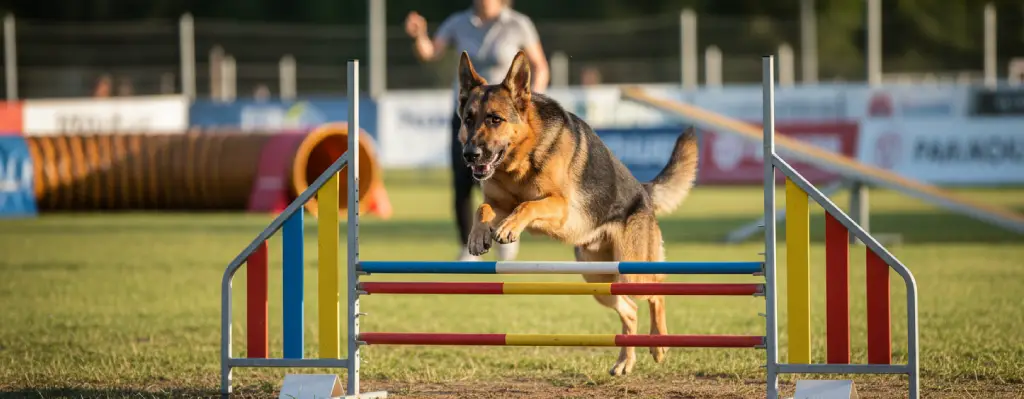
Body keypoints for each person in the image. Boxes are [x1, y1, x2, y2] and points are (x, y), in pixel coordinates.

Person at [405, 0, 550, 261]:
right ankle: (467, 247)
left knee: (507, 177)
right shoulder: (458, 22)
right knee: (463, 181)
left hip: (502, 122)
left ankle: (505, 229)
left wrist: (529, 104)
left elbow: (540, 66)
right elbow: (429, 53)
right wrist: (419, 36)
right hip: (468, 118)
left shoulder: (518, 24)